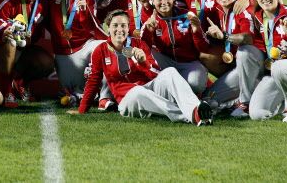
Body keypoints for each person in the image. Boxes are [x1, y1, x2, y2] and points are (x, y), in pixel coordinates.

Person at [67, 10, 213, 126]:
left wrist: (143, 62)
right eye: (115, 25)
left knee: (170, 72)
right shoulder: (100, 50)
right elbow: (93, 81)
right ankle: (190, 115)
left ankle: (196, 109)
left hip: (149, 88)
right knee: (137, 91)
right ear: (108, 28)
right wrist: (81, 110)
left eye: (123, 25)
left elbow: (155, 74)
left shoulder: (138, 44)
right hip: (127, 100)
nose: (119, 29)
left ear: (128, 27)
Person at [45, 0, 109, 106]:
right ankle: (83, 95)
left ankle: (104, 98)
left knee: (105, 47)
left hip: (83, 48)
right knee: (69, 91)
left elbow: (91, 28)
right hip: (63, 54)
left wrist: (84, 12)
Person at [0, 0, 54, 105]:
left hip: (25, 49)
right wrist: (7, 33)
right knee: (11, 41)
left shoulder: (44, 1)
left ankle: (19, 82)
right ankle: (7, 90)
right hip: (0, 49)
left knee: (48, 64)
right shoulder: (9, 2)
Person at [201, 0, 257, 116]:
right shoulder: (219, 11)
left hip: (252, 69)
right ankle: (234, 101)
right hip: (236, 67)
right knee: (208, 98)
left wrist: (225, 36)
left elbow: (248, 38)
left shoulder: (242, 10)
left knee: (245, 51)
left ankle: (246, 102)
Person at [141, 0, 209, 94]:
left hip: (188, 63)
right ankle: (172, 89)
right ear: (152, 0)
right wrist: (148, 31)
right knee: (148, 53)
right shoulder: (152, 20)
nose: (164, 2)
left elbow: (203, 48)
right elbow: (142, 46)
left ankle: (177, 91)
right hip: (166, 63)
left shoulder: (187, 16)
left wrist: (197, 30)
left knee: (196, 84)